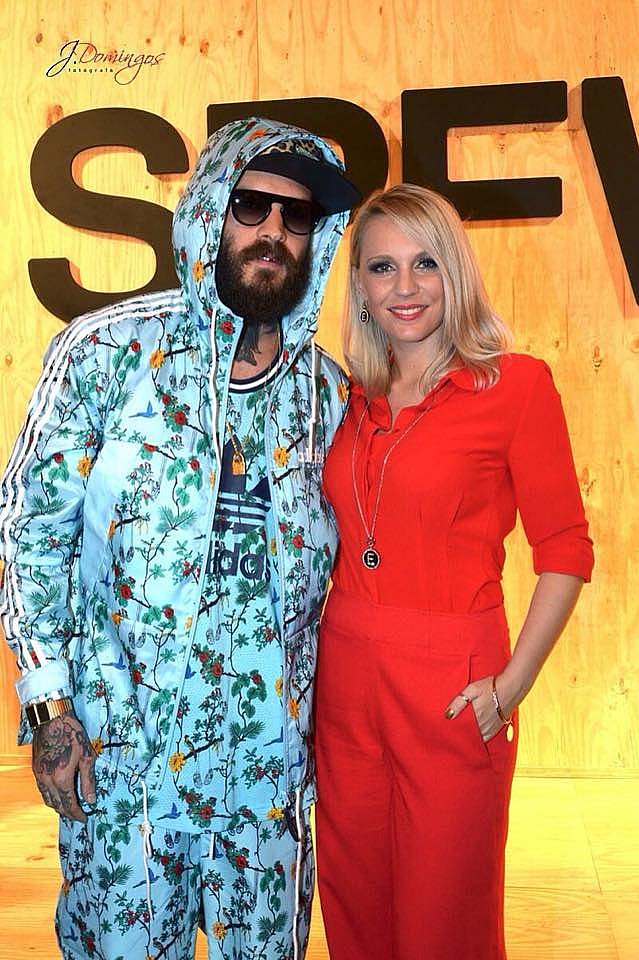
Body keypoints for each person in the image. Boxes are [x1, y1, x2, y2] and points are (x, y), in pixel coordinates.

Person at [0, 117, 360, 960]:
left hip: (267, 783)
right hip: (126, 767)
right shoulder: (106, 354)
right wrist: (51, 709)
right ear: (208, 210)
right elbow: (28, 531)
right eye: (251, 206)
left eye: (298, 215)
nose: (273, 231)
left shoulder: (327, 395)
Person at [314, 183, 594, 960]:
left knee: (445, 924)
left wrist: (510, 686)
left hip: (453, 687)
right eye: (381, 267)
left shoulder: (516, 386)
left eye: (425, 263)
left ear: (456, 271)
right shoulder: (341, 396)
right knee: (355, 911)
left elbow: (565, 550)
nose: (404, 287)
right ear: (358, 286)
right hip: (344, 686)